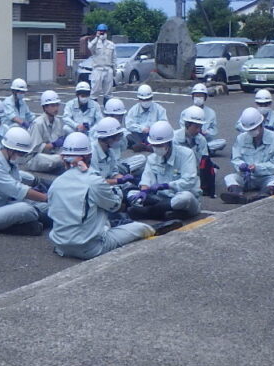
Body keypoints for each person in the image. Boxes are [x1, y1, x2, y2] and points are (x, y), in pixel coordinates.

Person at [47, 132, 173, 260]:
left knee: (98, 217)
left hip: (60, 246)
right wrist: (117, 190)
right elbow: (115, 206)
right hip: (89, 248)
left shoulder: (56, 183)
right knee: (139, 228)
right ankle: (152, 229)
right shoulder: (93, 180)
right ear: (89, 155)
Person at [0, 127, 50, 235]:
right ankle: (31, 222)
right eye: (21, 153)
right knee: (26, 209)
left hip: (3, 204)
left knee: (46, 207)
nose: (23, 156)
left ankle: (31, 221)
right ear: (10, 150)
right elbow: (18, 190)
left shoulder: (9, 160)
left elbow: (20, 179)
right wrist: (47, 198)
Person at [127, 121, 201, 221]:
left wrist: (166, 185)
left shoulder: (186, 154)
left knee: (185, 198)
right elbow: (147, 178)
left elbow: (189, 181)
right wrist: (144, 191)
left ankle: (150, 212)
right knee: (132, 194)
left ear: (169, 143)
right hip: (161, 198)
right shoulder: (152, 158)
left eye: (159, 145)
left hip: (181, 197)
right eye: (154, 145)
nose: (156, 148)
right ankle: (168, 213)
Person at [220, 107, 274, 203]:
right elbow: (235, 159)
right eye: (249, 130)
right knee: (229, 177)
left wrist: (257, 167)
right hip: (246, 177)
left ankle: (264, 194)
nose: (252, 132)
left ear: (261, 124)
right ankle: (237, 194)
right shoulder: (241, 138)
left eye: (254, 129)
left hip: (266, 177)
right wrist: (241, 166)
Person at [175, 105, 218, 198]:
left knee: (213, 170)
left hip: (195, 173)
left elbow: (204, 160)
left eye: (200, 127)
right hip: (177, 172)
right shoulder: (174, 139)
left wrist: (209, 165)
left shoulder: (201, 139)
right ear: (187, 125)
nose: (199, 130)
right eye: (196, 127)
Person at [25, 90, 69, 173]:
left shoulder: (57, 121)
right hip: (35, 158)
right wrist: (53, 145)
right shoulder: (38, 123)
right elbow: (34, 149)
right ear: (45, 107)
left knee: (69, 155)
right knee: (60, 158)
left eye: (57, 105)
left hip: (51, 154)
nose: (56, 108)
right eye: (52, 105)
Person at [179, 83, 226, 153]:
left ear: (205, 97)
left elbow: (214, 130)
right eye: (196, 95)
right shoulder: (185, 112)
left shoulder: (211, 112)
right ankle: (203, 150)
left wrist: (206, 132)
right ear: (192, 97)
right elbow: (183, 128)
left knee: (222, 142)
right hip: (190, 140)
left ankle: (201, 149)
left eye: (201, 95)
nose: (198, 97)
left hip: (206, 139)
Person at [125, 84, 168, 150]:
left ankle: (140, 146)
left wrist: (153, 129)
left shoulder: (159, 109)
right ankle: (146, 146)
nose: (145, 102)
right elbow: (128, 124)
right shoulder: (133, 110)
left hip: (153, 134)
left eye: (148, 99)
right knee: (125, 133)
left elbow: (164, 124)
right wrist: (141, 129)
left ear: (152, 98)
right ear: (139, 99)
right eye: (143, 100)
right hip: (138, 134)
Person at [87, 24, 117, 103]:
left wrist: (114, 70)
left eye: (104, 31)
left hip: (108, 69)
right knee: (95, 90)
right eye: (100, 31)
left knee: (108, 92)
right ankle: (93, 107)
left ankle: (108, 107)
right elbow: (90, 47)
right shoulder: (95, 43)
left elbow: (114, 58)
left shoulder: (111, 44)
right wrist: (96, 37)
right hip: (97, 69)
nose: (102, 33)